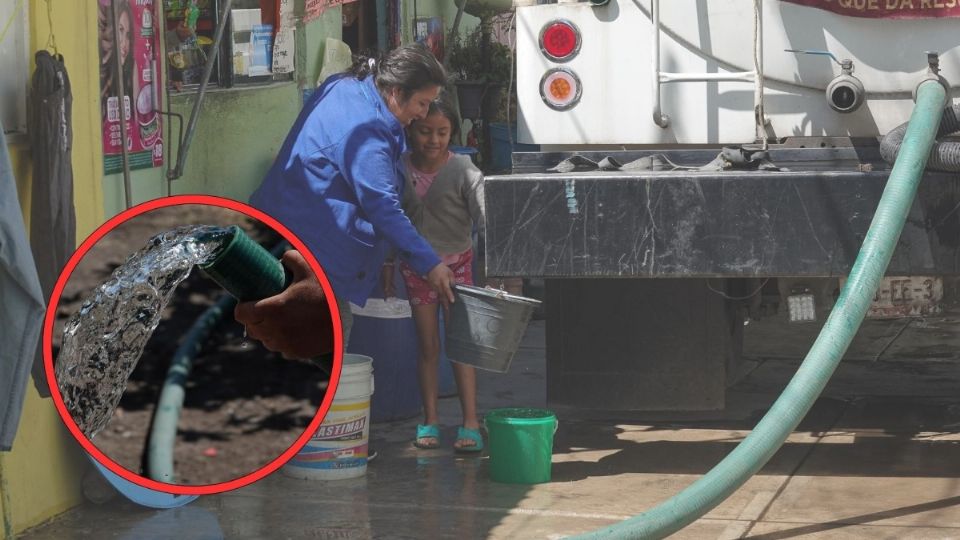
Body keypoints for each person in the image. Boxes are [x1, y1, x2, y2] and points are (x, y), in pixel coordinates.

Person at [236, 43, 457, 360]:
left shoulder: (345, 86)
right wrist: (431, 265)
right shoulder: (366, 134)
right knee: (325, 352)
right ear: (395, 91)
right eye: (422, 103)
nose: (423, 113)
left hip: (273, 235)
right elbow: (384, 208)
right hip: (310, 256)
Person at [382, 93, 485, 452]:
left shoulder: (464, 171)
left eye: (442, 132)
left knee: (462, 347)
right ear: (411, 130)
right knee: (427, 346)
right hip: (418, 270)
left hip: (458, 267)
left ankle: (470, 422)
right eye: (425, 131)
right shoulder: (399, 167)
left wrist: (505, 266)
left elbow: (485, 215)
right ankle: (431, 420)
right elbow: (391, 217)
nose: (434, 140)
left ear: (452, 133)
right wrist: (388, 261)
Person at [98, 0, 135, 122]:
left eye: (128, 35)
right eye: (120, 30)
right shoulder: (99, 74)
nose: (124, 44)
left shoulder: (128, 76)